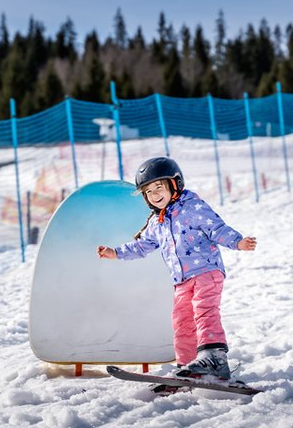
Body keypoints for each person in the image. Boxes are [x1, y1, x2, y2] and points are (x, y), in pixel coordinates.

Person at [96, 157, 257, 380]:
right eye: (149, 191)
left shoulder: (193, 207)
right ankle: (187, 366)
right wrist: (116, 252)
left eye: (158, 187)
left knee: (204, 311)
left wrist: (237, 242)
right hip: (181, 281)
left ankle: (214, 357)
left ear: (175, 184)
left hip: (206, 272)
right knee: (181, 321)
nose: (154, 194)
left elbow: (216, 228)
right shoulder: (156, 222)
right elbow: (142, 245)